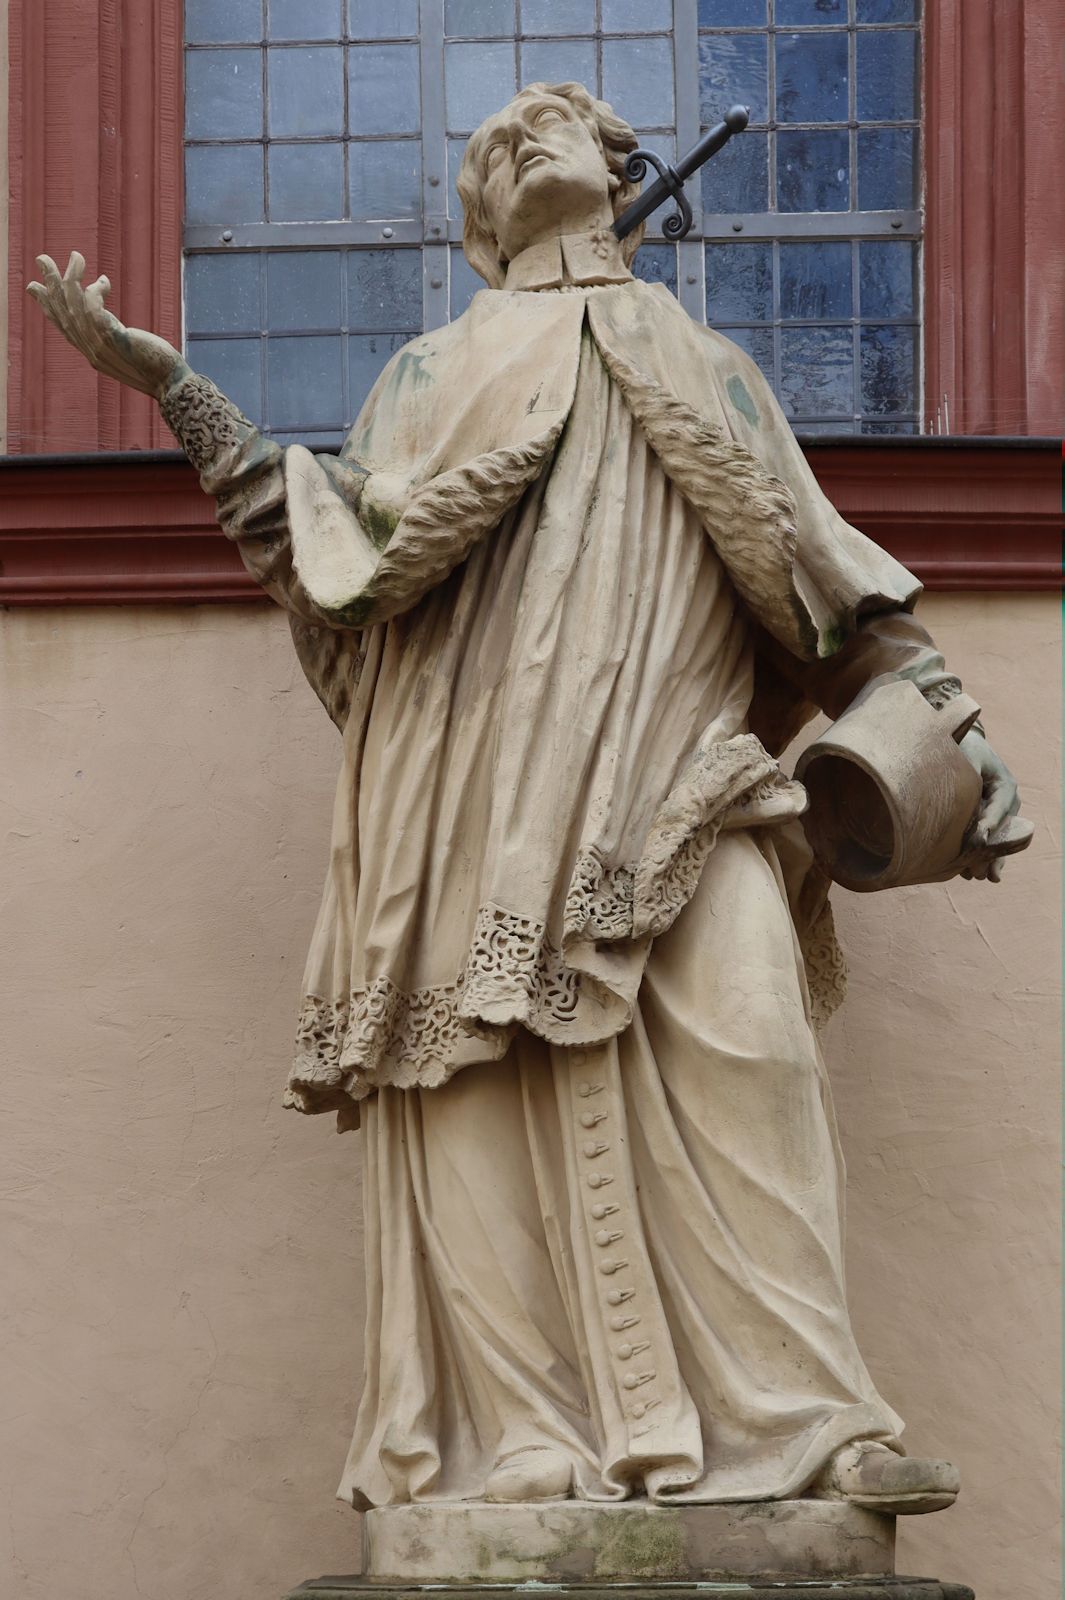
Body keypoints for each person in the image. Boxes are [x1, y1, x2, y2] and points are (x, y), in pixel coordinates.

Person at [29, 81, 1019, 1516]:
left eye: (558, 124)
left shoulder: (703, 360)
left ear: (622, 179)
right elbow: (330, 567)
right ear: (480, 219)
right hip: (467, 804)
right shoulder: (428, 377)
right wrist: (181, 393)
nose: (524, 136)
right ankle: (521, 1450)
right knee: (471, 1092)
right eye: (497, 142)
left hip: (684, 793)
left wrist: (945, 732)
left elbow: (830, 587)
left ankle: (813, 1429)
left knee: (754, 1060)